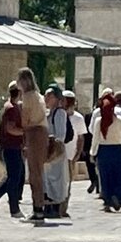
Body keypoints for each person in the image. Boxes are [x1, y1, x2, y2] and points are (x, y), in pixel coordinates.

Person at [0, 82, 25, 218]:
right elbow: (10, 128)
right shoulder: (12, 109)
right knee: (13, 178)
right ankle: (13, 209)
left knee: (13, 178)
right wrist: (26, 132)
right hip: (11, 147)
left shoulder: (11, 107)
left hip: (13, 147)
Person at [90, 94, 121, 212]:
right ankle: (117, 196)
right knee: (117, 175)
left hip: (103, 151)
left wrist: (92, 153)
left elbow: (95, 139)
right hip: (116, 150)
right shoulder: (119, 120)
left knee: (105, 176)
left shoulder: (99, 121)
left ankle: (107, 200)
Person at [17, 69, 49, 222]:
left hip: (34, 132)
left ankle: (38, 210)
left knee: (34, 173)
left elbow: (25, 121)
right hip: (42, 133)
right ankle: (39, 207)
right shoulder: (38, 96)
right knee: (38, 172)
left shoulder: (28, 97)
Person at [43, 85, 71, 217]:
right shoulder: (49, 113)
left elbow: (60, 135)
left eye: (50, 96)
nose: (46, 98)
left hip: (55, 152)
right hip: (48, 153)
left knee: (56, 182)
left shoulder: (59, 113)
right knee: (48, 181)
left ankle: (55, 209)